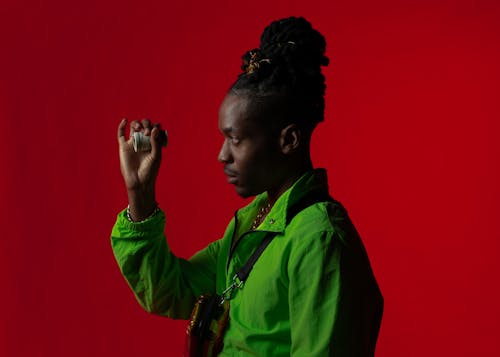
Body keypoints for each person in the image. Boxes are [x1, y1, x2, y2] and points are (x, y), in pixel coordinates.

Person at [111, 16, 383, 356]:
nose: (222, 155)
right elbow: (172, 291)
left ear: (289, 140)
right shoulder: (251, 224)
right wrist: (140, 193)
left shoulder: (319, 239)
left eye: (235, 140)